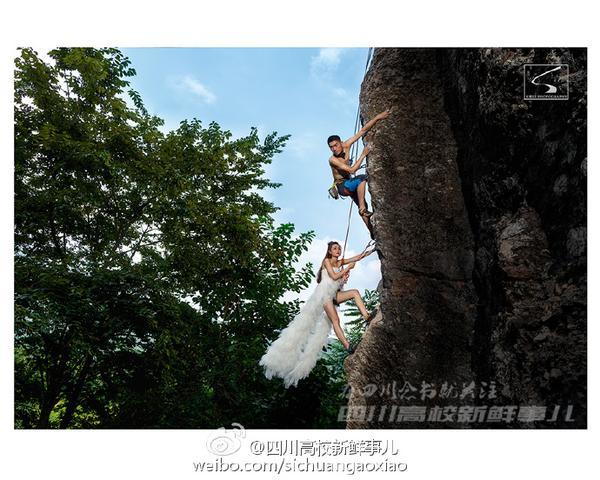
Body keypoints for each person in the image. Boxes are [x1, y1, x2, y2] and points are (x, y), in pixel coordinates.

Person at [259, 241, 376, 388]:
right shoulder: (326, 261)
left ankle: (366, 316)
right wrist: (346, 269)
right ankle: (347, 346)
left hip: (334, 294)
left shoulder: (339, 261)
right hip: (325, 296)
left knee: (355, 293)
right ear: (329, 251)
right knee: (335, 321)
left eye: (339, 248)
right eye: (335, 248)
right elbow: (333, 277)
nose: (338, 250)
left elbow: (357, 257)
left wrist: (371, 251)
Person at [328, 109, 391, 238]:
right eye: (331, 147)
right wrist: (363, 155)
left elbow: (362, 131)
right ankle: (362, 207)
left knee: (364, 204)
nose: (334, 148)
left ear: (340, 142)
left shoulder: (347, 145)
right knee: (362, 178)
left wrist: (379, 116)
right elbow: (352, 170)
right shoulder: (332, 160)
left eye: (335, 145)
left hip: (349, 183)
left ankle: (373, 233)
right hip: (342, 186)